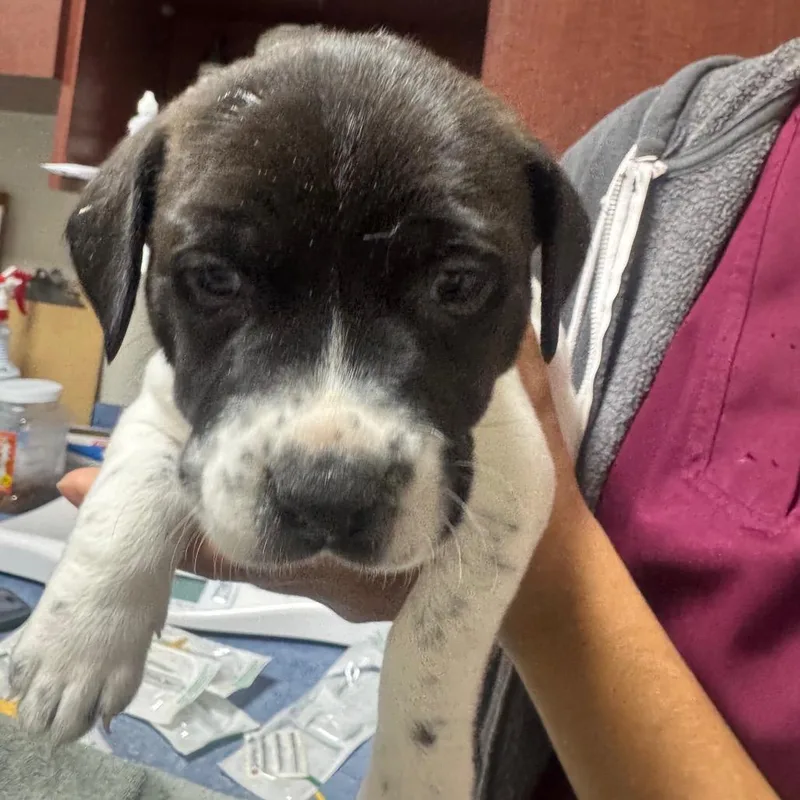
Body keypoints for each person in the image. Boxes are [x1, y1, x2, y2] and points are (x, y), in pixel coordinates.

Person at [59, 39, 800, 799]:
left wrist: (420, 749)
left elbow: (529, 486)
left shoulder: (579, 174)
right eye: (215, 280)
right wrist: (103, 576)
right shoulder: (660, 139)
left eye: (454, 286)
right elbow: (154, 413)